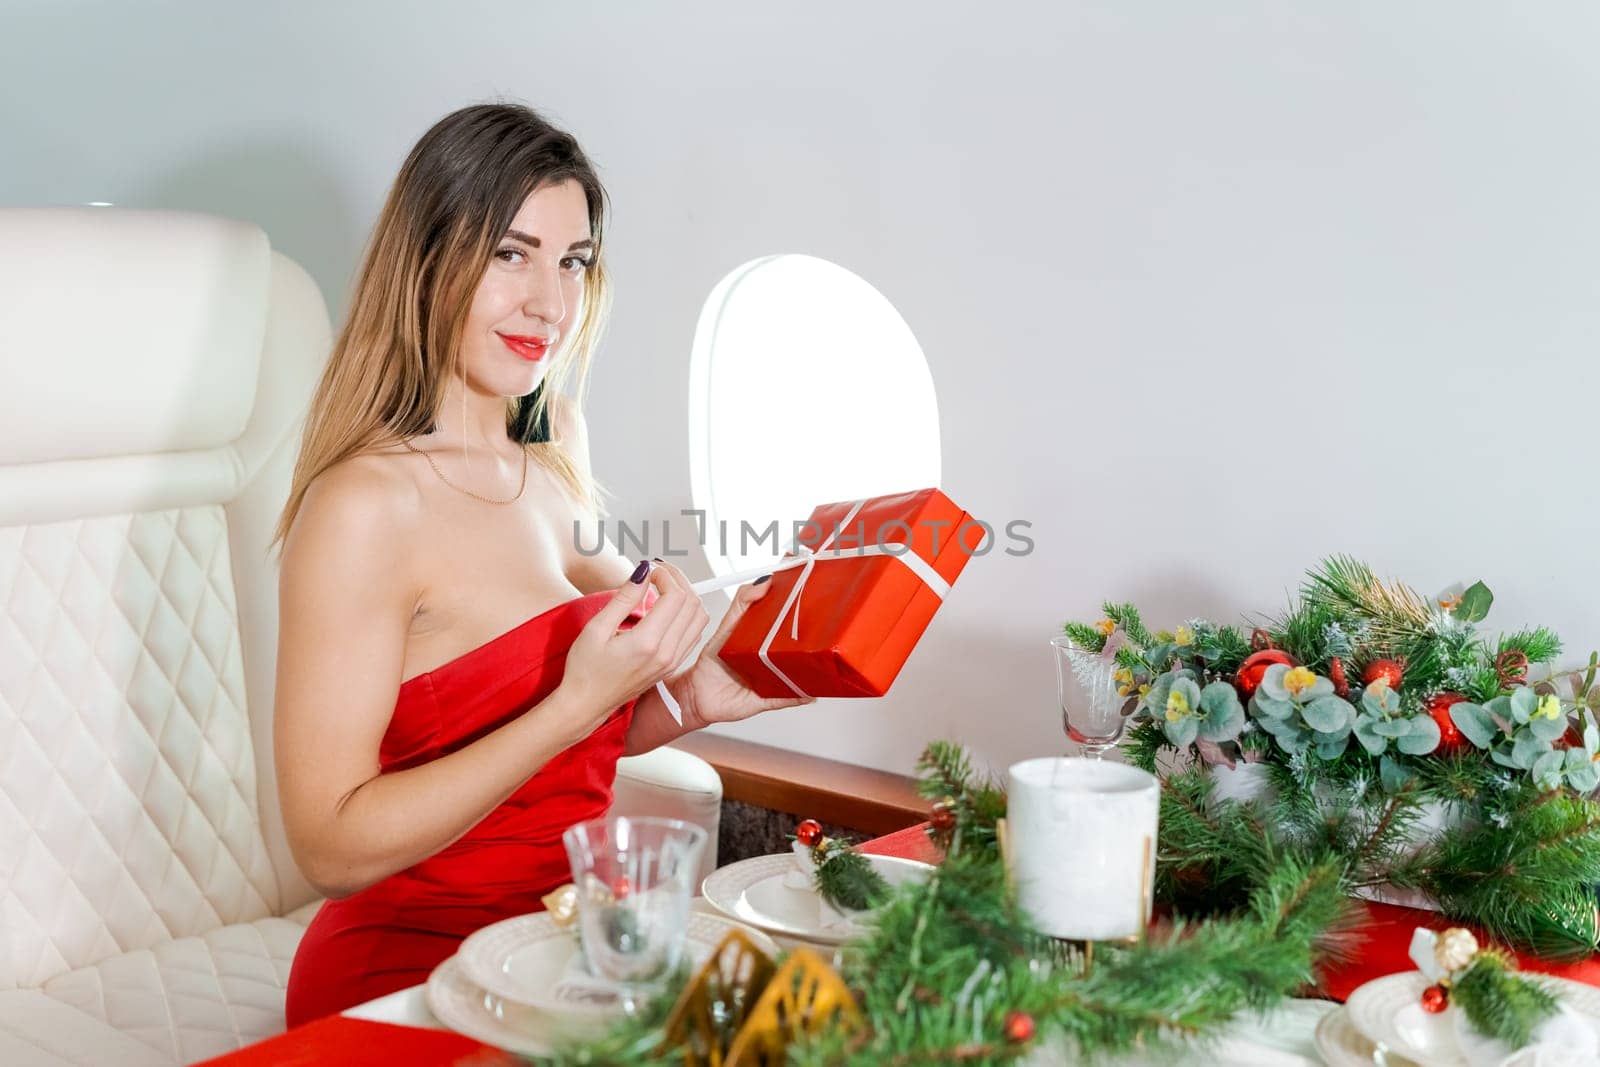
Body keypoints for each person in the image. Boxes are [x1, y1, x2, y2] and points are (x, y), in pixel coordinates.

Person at [274, 102, 811, 1026]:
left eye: (572, 262)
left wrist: (692, 697)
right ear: (429, 258)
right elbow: (328, 846)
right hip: (407, 967)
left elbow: (553, 746)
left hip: (562, 941)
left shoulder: (556, 445)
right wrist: (574, 702)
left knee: (813, 1025)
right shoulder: (364, 505)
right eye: (509, 254)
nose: (550, 304)